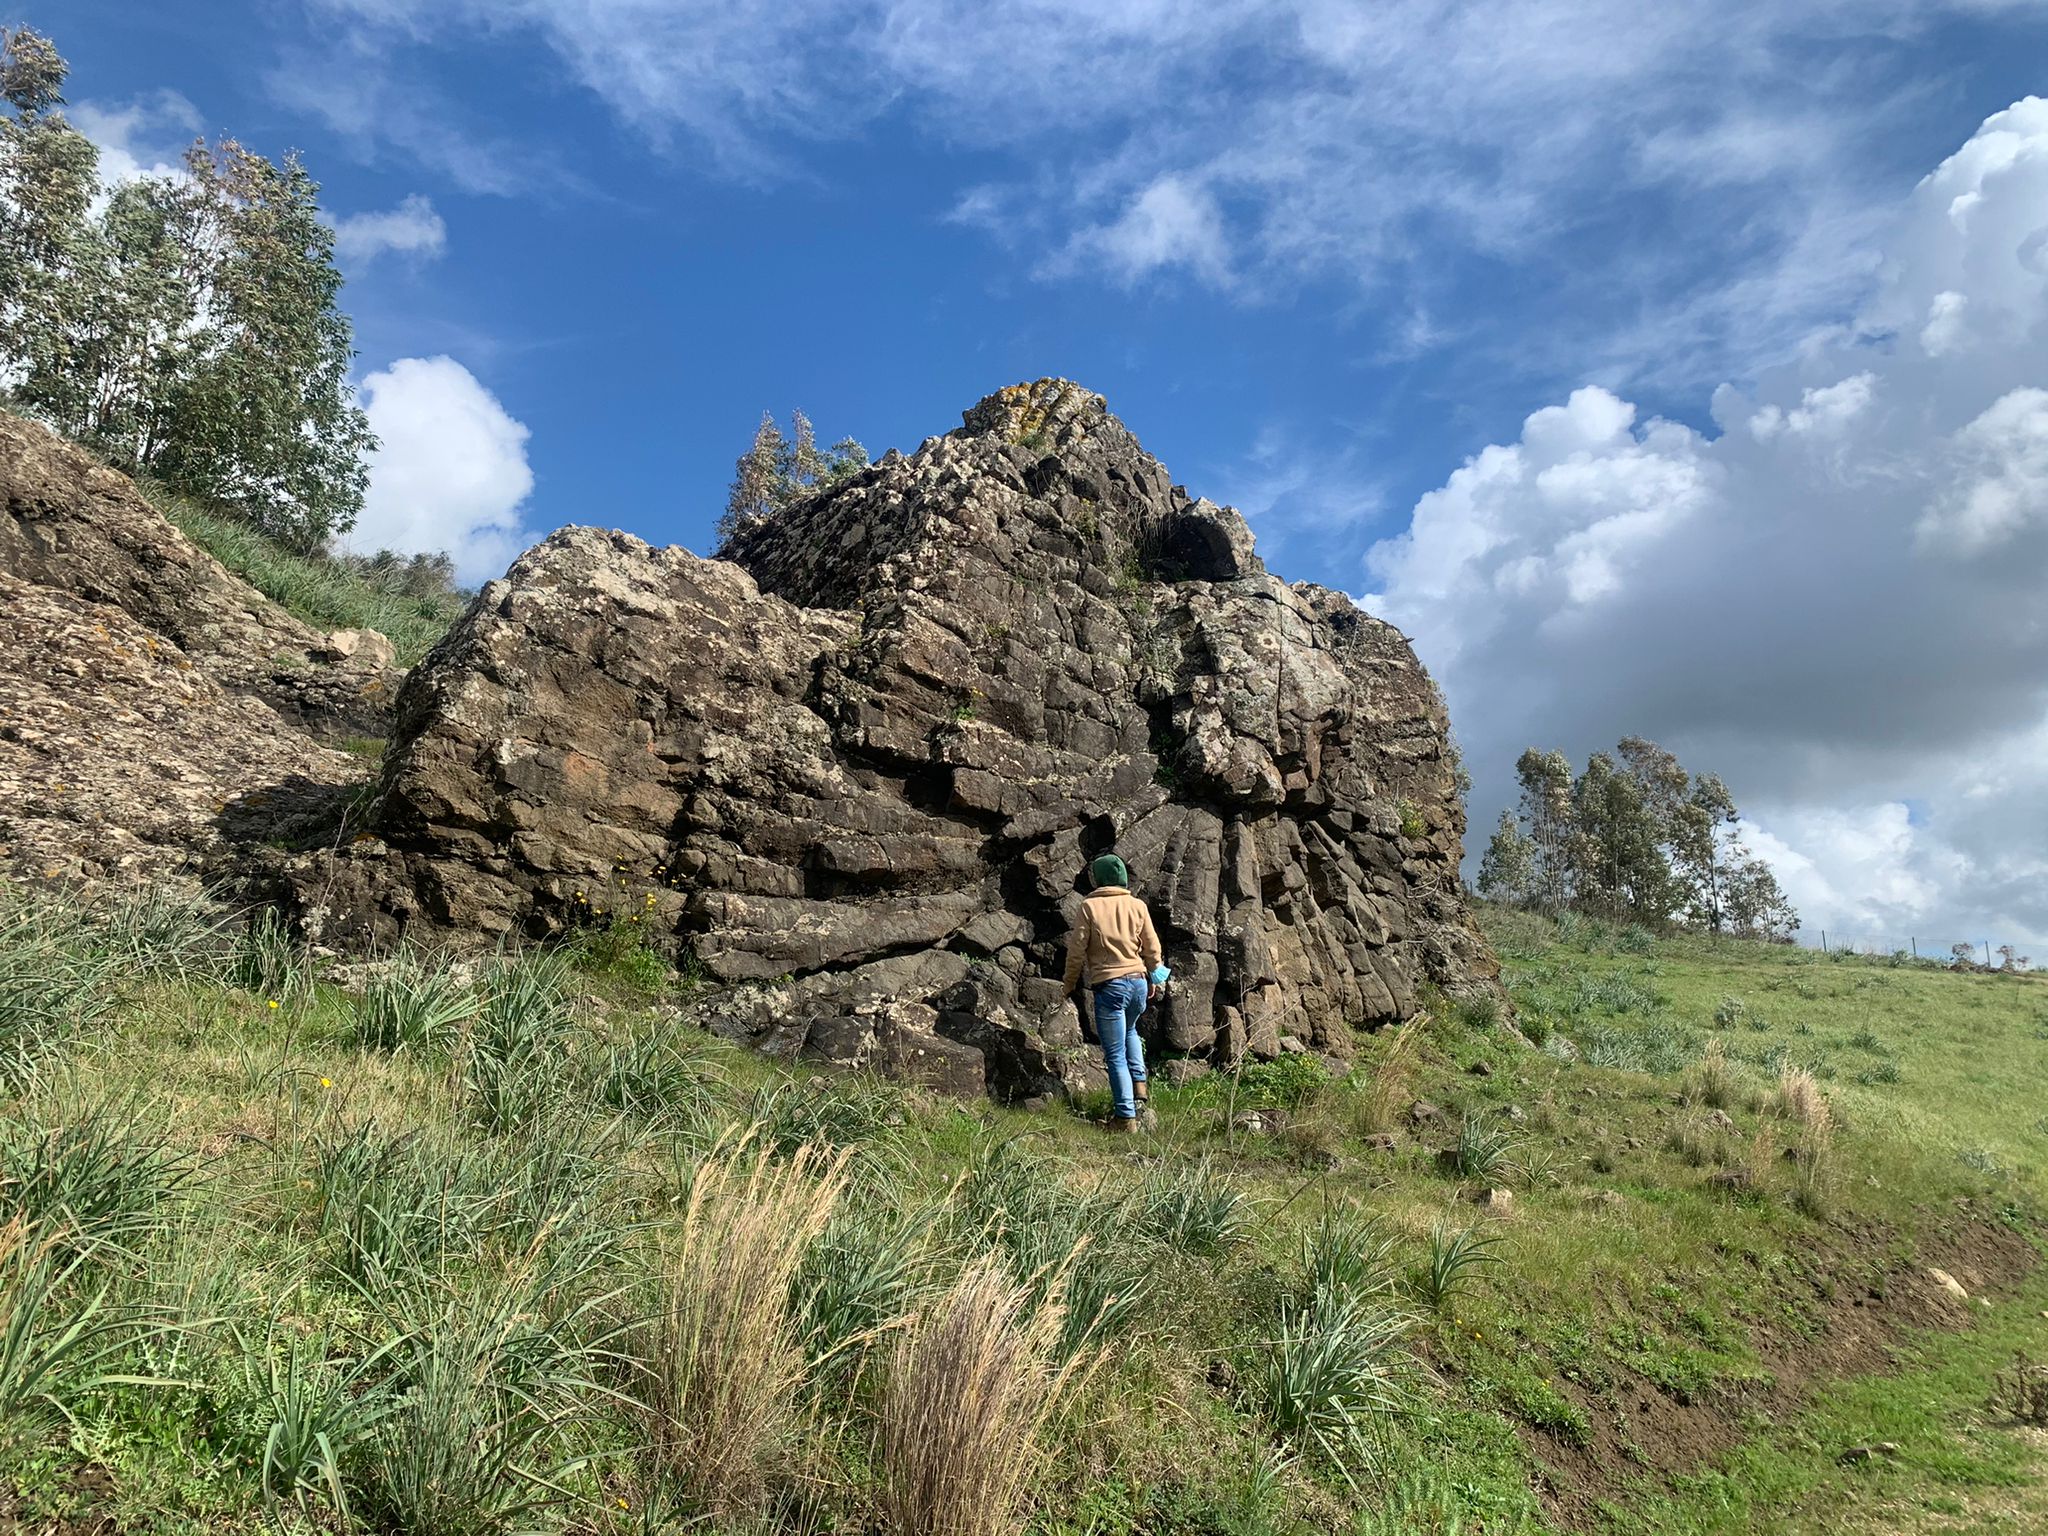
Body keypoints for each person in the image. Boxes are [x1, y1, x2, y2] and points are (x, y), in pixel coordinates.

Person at [1059, 852, 1165, 1132]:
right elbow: (1153, 949)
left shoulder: (1089, 907)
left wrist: (1068, 984)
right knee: (1131, 1031)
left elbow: (1077, 950)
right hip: (1139, 982)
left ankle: (1124, 1118)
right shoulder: (1137, 905)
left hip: (1111, 985)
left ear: (1098, 878)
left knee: (1114, 1053)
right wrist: (1156, 977)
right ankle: (1139, 1087)